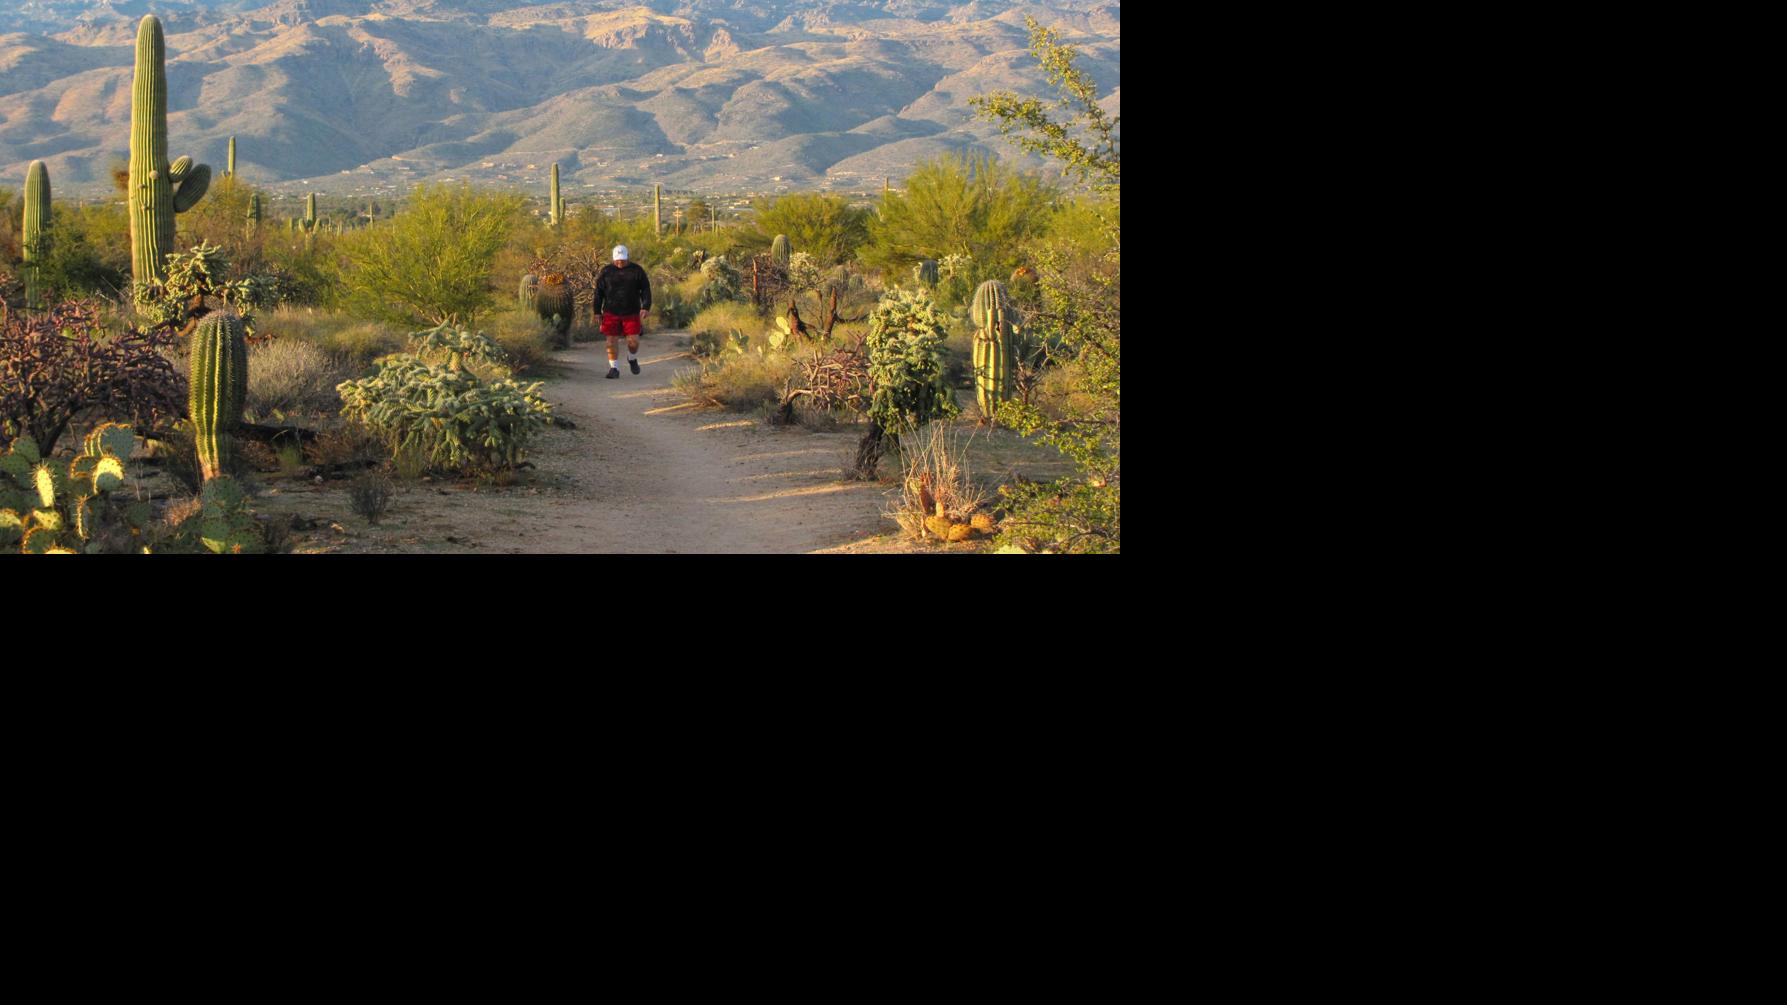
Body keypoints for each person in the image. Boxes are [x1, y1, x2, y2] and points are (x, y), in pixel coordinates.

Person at [595, 245, 651, 378]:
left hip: (631, 312)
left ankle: (632, 358)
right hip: (610, 311)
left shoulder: (637, 270)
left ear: (627, 258)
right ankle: (614, 368)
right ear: (613, 259)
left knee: (633, 342)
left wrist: (646, 307)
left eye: (623, 260)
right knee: (610, 341)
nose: (620, 262)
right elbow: (598, 292)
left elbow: (645, 289)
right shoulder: (606, 271)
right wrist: (597, 311)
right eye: (617, 260)